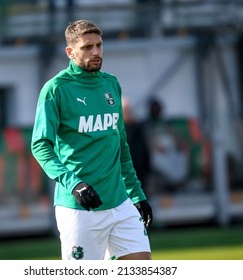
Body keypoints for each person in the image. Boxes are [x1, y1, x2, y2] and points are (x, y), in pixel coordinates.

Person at [31, 19, 152, 260]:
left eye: (99, 45)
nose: (95, 52)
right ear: (70, 52)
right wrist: (74, 183)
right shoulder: (56, 89)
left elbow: (121, 146)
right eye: (87, 47)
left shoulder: (111, 83)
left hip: (120, 203)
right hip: (80, 208)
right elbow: (40, 145)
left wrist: (136, 194)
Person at [143, 98, 189, 194]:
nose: (157, 111)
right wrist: (156, 147)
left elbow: (176, 137)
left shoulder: (166, 123)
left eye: (158, 108)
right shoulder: (146, 125)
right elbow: (147, 141)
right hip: (156, 154)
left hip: (169, 153)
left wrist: (180, 145)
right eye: (154, 109)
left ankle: (177, 183)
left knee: (180, 160)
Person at [122, 97, 151, 196]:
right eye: (126, 111)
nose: (129, 113)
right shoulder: (115, 130)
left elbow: (144, 149)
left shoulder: (137, 127)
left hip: (139, 168)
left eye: (129, 110)